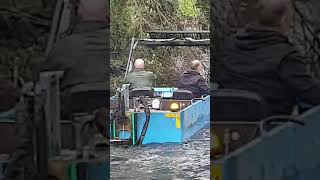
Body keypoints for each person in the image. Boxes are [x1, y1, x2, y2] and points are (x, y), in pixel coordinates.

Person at [216, 0, 320, 115]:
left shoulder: (229, 46)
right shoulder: (286, 57)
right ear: (284, 20)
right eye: (292, 17)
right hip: (270, 127)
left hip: (226, 124)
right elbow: (313, 96)